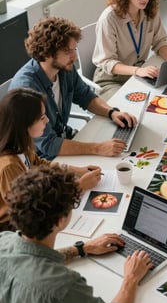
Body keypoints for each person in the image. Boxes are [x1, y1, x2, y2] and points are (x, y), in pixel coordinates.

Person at [0, 165, 163, 303]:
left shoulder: (4, 241)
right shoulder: (63, 285)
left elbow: (32, 258)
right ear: (61, 220)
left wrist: (82, 249)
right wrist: (131, 278)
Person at [10, 16, 137, 160]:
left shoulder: (64, 69)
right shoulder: (27, 87)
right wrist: (98, 148)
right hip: (41, 158)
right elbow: (48, 145)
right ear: (47, 53)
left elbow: (85, 96)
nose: (75, 56)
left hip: (64, 138)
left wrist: (112, 113)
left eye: (74, 49)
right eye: (67, 51)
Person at [0, 88, 103, 232]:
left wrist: (77, 170)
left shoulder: (20, 144)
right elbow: (28, 211)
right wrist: (79, 187)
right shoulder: (9, 166)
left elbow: (40, 164)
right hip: (13, 229)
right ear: (24, 124)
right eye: (42, 117)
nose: (47, 120)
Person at [93, 0, 167, 100]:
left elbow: (160, 41)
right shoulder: (109, 18)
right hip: (112, 80)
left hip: (138, 74)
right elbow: (107, 61)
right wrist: (138, 71)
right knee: (131, 108)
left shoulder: (150, 11)